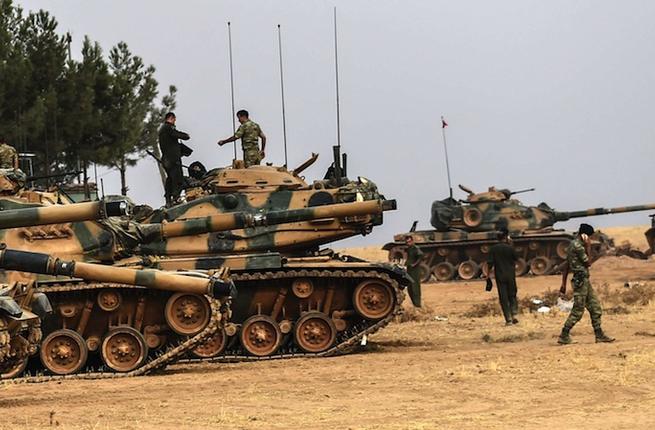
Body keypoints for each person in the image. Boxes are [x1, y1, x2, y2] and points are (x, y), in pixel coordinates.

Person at [558, 223, 615, 344]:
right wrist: (588, 246)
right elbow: (588, 262)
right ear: (584, 235)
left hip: (583, 280)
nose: (590, 238)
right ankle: (564, 335)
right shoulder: (578, 246)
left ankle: (599, 335)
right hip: (580, 281)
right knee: (578, 311)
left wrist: (563, 284)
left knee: (595, 308)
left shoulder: (572, 245)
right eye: (589, 236)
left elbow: (566, 266)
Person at [486, 227, 519, 325]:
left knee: (503, 297)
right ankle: (514, 314)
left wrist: (487, 276)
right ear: (506, 237)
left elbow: (490, 263)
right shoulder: (510, 248)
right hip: (510, 275)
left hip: (500, 275)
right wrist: (511, 244)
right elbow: (516, 258)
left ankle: (508, 319)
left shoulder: (493, 249)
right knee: (512, 295)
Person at [158, 112, 190, 205]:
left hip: (166, 159)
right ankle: (176, 198)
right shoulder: (168, 127)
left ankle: (168, 198)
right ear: (171, 118)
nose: (175, 122)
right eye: (174, 119)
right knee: (177, 179)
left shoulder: (162, 130)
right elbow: (177, 134)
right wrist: (186, 135)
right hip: (173, 159)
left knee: (170, 179)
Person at [404, 235, 424, 307]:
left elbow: (421, 256)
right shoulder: (409, 249)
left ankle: (417, 304)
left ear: (412, 241)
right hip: (409, 269)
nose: (408, 243)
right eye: (407, 242)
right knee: (410, 288)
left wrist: (414, 264)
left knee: (415, 287)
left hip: (415, 270)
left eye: (409, 241)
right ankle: (414, 304)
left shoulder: (415, 248)